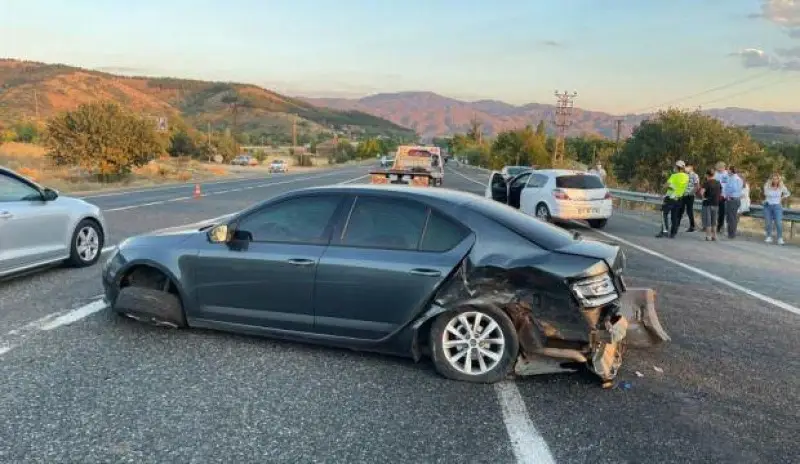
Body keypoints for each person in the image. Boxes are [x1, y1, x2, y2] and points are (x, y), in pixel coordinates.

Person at [656, 160, 689, 238]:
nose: (674, 168)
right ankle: (673, 233)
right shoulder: (686, 177)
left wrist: (661, 191)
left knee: (664, 213)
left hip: (670, 198)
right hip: (679, 198)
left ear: (678, 167)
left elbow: (667, 185)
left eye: (675, 166)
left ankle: (664, 231)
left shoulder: (674, 176)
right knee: (674, 216)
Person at [763, 172, 791, 245]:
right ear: (771, 179)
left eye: (776, 179)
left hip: (777, 207)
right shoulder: (767, 185)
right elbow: (766, 193)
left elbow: (788, 193)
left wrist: (782, 198)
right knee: (768, 222)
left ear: (779, 180)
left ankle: (780, 238)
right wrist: (770, 186)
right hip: (768, 206)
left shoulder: (781, 186)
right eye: (773, 179)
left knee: (778, 223)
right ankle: (769, 236)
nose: (775, 180)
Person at [700, 168, 722, 241]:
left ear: (707, 175)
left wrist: (703, 198)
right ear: (714, 174)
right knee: (714, 221)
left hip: (707, 203)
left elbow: (702, 192)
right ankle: (714, 236)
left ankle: (708, 236)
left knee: (708, 220)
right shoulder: (718, 182)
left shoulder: (706, 183)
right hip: (716, 203)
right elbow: (720, 191)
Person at [723, 166, 744, 239]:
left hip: (732, 199)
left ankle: (731, 234)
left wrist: (727, 194)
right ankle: (731, 233)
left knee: (731, 218)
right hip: (736, 199)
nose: (727, 171)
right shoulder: (738, 178)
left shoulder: (733, 178)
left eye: (728, 170)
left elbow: (733, 188)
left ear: (731, 171)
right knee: (732, 217)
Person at [681, 163, 700, 232]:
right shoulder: (684, 175)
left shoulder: (695, 175)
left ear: (691, 167)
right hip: (683, 195)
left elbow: (697, 186)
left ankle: (692, 226)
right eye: (685, 167)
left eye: (687, 167)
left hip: (690, 196)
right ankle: (676, 225)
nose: (685, 168)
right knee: (680, 210)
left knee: (689, 211)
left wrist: (691, 193)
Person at [713, 161, 730, 234]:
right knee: (714, 211)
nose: (720, 169)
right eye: (718, 167)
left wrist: (726, 195)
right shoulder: (715, 174)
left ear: (724, 167)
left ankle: (720, 226)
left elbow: (728, 185)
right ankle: (713, 226)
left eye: (721, 167)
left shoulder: (727, 174)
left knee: (722, 213)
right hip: (715, 195)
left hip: (723, 196)